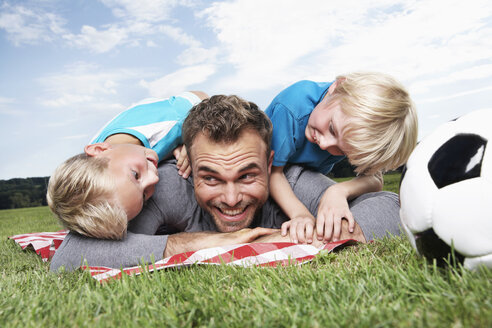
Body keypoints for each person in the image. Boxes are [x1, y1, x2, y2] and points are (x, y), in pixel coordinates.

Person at [50, 94, 402, 272]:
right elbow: (69, 255)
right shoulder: (168, 184)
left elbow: (389, 206)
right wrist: (197, 242)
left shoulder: (290, 179)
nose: (232, 198)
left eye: (247, 176)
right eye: (211, 178)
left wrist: (280, 237)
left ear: (269, 163)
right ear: (189, 163)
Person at [264, 72, 418, 244]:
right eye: (331, 128)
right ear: (336, 88)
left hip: (306, 184)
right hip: (275, 179)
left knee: (393, 205)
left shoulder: (353, 130)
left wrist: (339, 191)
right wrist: (301, 215)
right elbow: (272, 173)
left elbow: (375, 178)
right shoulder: (291, 107)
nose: (324, 144)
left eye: (341, 150)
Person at [46, 91, 207, 240]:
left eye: (135, 175)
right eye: (144, 196)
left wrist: (198, 137)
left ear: (99, 148)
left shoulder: (172, 120)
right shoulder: (98, 162)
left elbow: (202, 98)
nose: (154, 178)